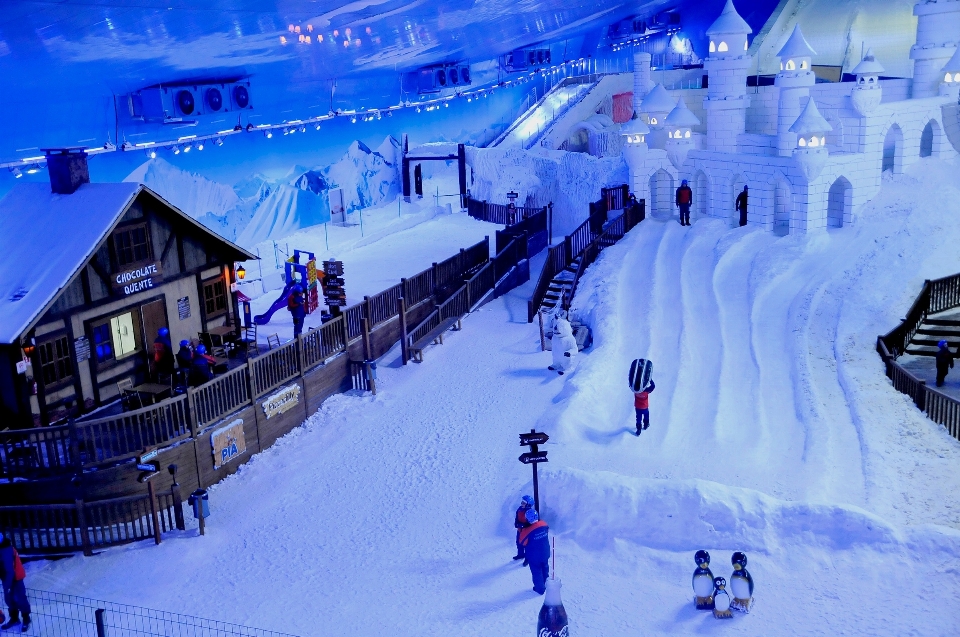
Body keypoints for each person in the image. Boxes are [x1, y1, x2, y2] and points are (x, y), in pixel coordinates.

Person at [0, 532, 30, 631]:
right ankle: (14, 618)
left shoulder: (6, 550)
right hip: (6, 577)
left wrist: (7, 586)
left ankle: (26, 618)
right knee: (8, 599)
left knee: (19, 598)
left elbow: (9, 570)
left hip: (16, 577)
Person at [518, 508, 551, 594]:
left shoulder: (527, 531)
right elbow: (547, 531)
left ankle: (540, 589)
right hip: (545, 552)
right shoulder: (544, 524)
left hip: (534, 555)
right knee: (545, 568)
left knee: (536, 572)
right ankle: (547, 584)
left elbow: (522, 542)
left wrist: (522, 530)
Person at [513, 495, 535, 563]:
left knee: (527, 544)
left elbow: (531, 522)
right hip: (520, 530)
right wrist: (516, 524)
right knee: (519, 542)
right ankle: (520, 554)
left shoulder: (530, 512)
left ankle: (528, 558)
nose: (522, 503)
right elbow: (517, 518)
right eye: (522, 502)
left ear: (528, 504)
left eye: (524, 502)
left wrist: (523, 525)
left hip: (527, 531)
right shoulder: (519, 509)